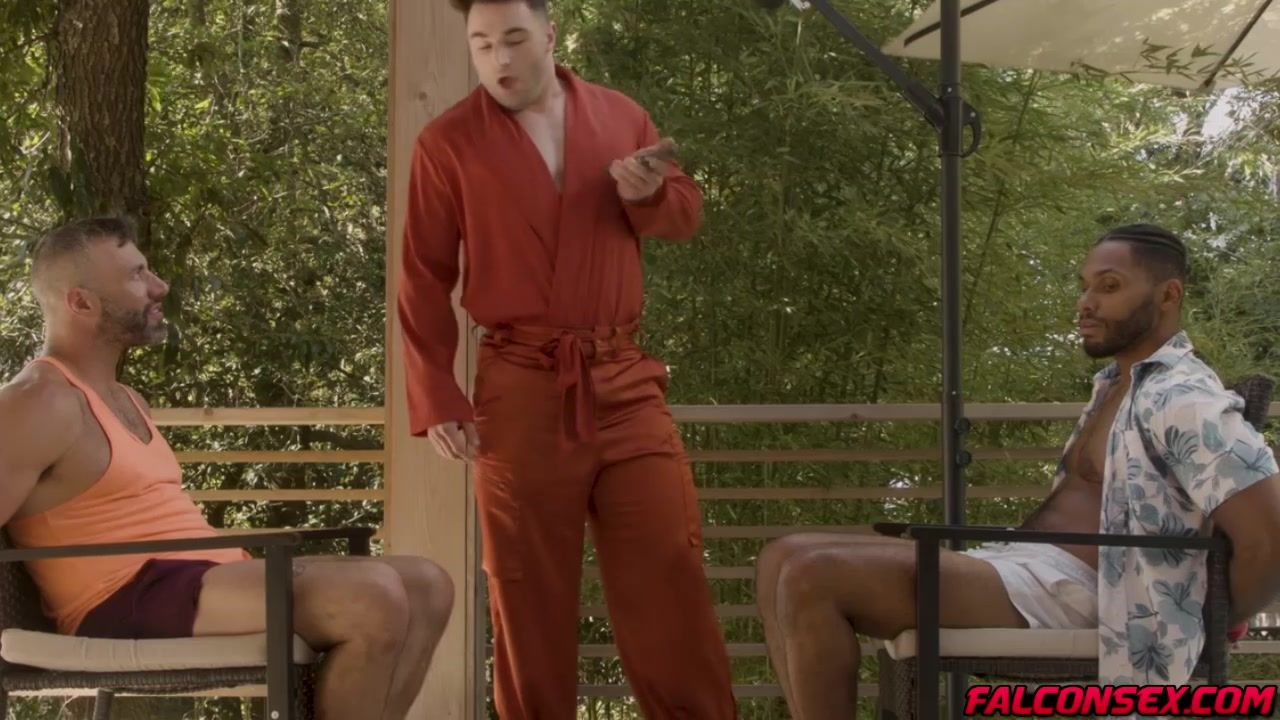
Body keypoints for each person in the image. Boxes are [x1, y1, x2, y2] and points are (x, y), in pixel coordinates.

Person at [754, 224, 1280, 718]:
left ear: (1168, 295)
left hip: (1091, 592)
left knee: (811, 575)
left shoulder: (1183, 398)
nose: (1086, 302)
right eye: (1084, 286)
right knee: (780, 556)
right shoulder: (1117, 385)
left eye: (1109, 286)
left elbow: (1270, 537)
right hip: (1029, 567)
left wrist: (1205, 622)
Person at [395, 0, 737, 717]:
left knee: (668, 572)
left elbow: (685, 214)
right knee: (527, 594)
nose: (500, 59)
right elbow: (423, 275)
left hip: (625, 380)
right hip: (519, 387)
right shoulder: (447, 142)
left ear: (550, 35)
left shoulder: (621, 116)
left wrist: (651, 195)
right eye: (482, 44)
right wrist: (437, 394)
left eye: (515, 39)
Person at [0, 216, 454, 720]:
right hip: (122, 598)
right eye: (136, 276)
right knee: (372, 599)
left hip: (197, 577)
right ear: (81, 303)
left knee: (428, 584)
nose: (159, 286)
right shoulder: (38, 401)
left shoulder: (127, 398)